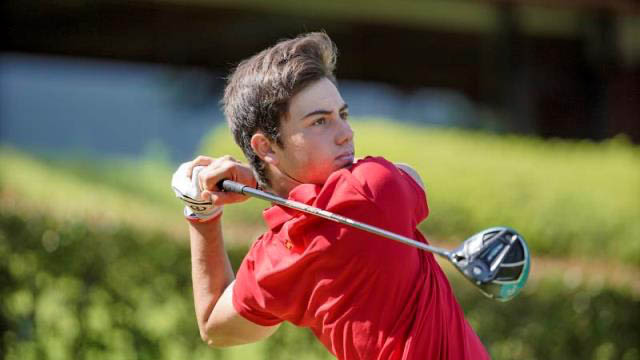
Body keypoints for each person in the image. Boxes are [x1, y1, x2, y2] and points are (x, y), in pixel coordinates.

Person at [171, 32, 490, 359]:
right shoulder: (373, 186)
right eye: (321, 121)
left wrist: (203, 213)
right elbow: (412, 177)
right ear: (265, 146)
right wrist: (259, 181)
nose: (346, 133)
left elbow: (214, 326)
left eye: (343, 115)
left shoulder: (276, 258)